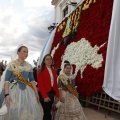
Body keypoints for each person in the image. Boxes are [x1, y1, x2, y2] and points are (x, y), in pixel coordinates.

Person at [0, 45, 43, 120]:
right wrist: (6, 94)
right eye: (24, 51)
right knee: (14, 112)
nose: (26, 53)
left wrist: (36, 93)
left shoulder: (29, 66)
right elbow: (7, 80)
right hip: (13, 90)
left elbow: (32, 80)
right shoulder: (12, 65)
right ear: (18, 52)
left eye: (27, 52)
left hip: (27, 91)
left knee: (28, 113)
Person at [37, 54, 59, 120]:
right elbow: (40, 84)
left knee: (50, 111)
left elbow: (55, 84)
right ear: (44, 61)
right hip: (44, 93)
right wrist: (45, 96)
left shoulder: (54, 71)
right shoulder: (40, 70)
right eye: (47, 59)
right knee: (47, 112)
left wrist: (57, 95)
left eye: (50, 59)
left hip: (52, 93)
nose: (49, 60)